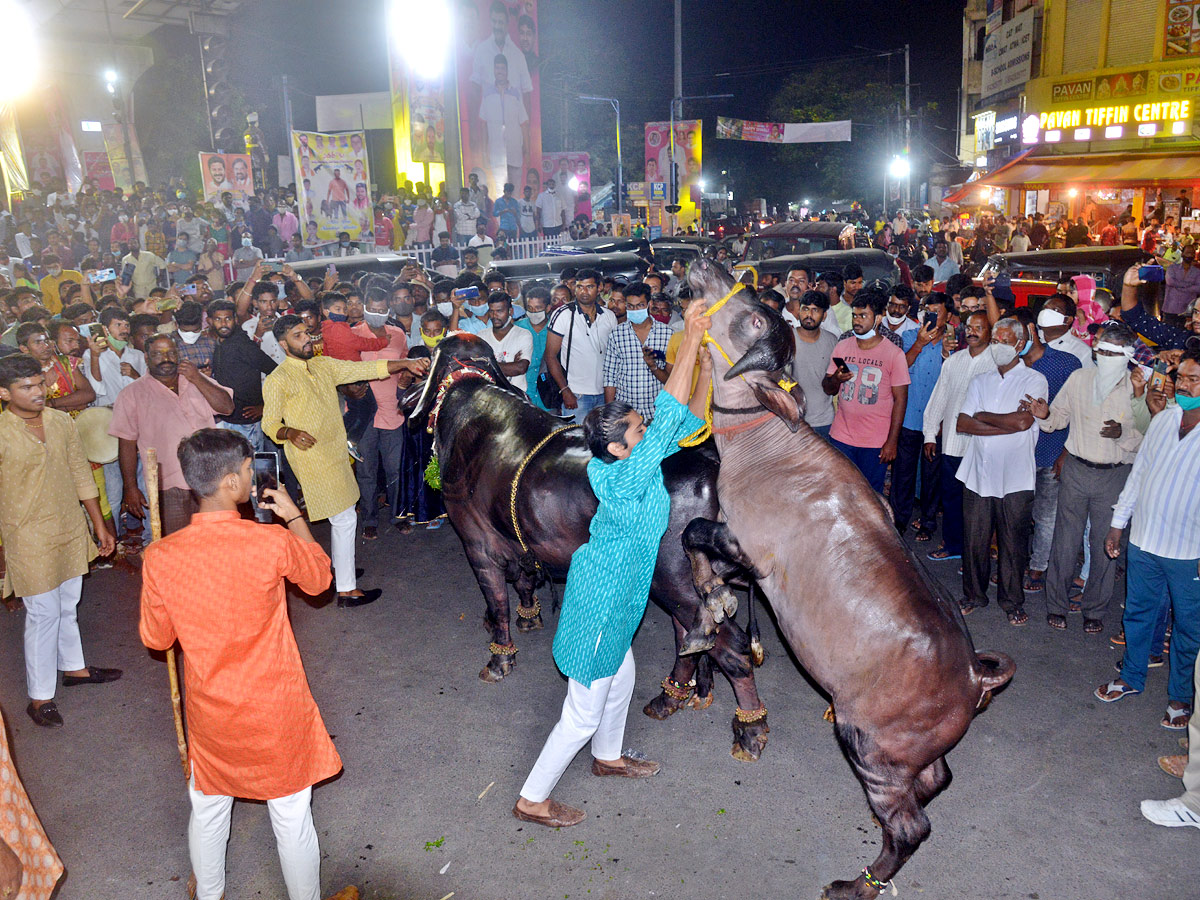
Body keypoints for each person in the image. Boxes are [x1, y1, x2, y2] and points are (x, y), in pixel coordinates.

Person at [513, 297, 711, 829]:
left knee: (620, 679)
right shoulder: (623, 476)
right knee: (580, 713)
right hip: (601, 602)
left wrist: (704, 365)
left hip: (618, 593)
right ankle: (532, 797)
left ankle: (609, 756)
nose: (644, 433)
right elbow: (668, 413)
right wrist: (688, 336)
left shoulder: (627, 464)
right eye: (637, 431)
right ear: (619, 448)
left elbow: (679, 417)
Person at [139, 429, 350, 900]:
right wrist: (293, 516)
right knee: (291, 814)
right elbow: (319, 580)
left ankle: (209, 894)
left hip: (211, 712)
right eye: (246, 471)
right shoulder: (268, 543)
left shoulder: (160, 557)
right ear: (235, 482)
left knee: (209, 806)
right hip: (273, 706)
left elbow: (156, 638)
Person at [261, 316, 429, 607]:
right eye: (298, 335)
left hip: (335, 451)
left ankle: (340, 573)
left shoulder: (323, 365)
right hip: (310, 455)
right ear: (283, 343)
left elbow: (364, 368)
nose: (307, 339)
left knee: (345, 513)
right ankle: (347, 590)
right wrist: (289, 431)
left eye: (308, 333)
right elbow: (269, 423)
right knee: (345, 518)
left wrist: (402, 364)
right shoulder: (279, 379)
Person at [0, 354, 119, 728]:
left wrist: (98, 524)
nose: (38, 393)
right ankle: (40, 698)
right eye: (27, 387)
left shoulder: (57, 420)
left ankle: (75, 669)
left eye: (40, 384)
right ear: (3, 393)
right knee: (43, 613)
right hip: (26, 532)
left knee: (69, 602)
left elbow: (79, 469)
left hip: (68, 523)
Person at [1094, 351, 1200, 733]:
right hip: (1146, 540)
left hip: (1189, 552)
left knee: (1190, 629)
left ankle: (1181, 698)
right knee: (1138, 613)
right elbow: (1140, 473)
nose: (1184, 386)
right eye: (1182, 378)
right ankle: (1132, 677)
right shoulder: (1165, 418)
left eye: (1194, 380)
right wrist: (1118, 524)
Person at [1029, 323, 1147, 633]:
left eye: (1112, 352)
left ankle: (1094, 609)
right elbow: (1059, 417)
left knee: (1105, 544)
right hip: (1077, 469)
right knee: (1065, 541)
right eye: (1101, 350)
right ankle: (1056, 605)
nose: (1105, 356)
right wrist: (1044, 416)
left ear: (1127, 356)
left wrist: (1125, 435)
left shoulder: (1138, 389)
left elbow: (1150, 440)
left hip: (1115, 474)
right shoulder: (1079, 379)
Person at [955, 318, 1049, 626]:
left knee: (1013, 542)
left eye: (1004, 342)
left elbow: (1023, 423)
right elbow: (962, 423)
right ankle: (973, 595)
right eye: (994, 341)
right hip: (978, 473)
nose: (997, 347)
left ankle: (1012, 601)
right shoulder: (980, 380)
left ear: (1019, 345)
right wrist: (1002, 422)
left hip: (1016, 476)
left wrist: (983, 416)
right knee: (974, 540)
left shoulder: (1034, 380)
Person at [109, 334, 235, 535]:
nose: (165, 358)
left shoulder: (195, 379)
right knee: (178, 541)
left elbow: (227, 407)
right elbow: (126, 444)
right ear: (147, 358)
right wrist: (130, 487)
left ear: (178, 355)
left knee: (216, 538)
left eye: (170, 353)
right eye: (158, 354)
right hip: (168, 485)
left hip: (211, 477)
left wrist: (196, 378)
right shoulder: (132, 394)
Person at [1017, 307, 1083, 594]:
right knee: (1016, 515)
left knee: (1046, 516)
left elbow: (1079, 414)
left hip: (1051, 453)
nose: (1013, 344)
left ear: (1032, 331)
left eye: (1017, 337)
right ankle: (1015, 562)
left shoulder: (1068, 363)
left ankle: (1038, 566)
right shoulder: (1011, 366)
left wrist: (1066, 454)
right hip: (1017, 454)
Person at [922, 311, 996, 561]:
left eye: (979, 327)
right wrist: (930, 435)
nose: (972, 331)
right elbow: (939, 398)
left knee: (979, 504)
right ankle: (953, 546)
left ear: (990, 332)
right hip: (952, 444)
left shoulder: (997, 363)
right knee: (952, 498)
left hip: (983, 446)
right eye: (969, 327)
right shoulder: (954, 361)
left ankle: (976, 555)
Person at [821, 289, 910, 494]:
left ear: (878, 318)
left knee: (870, 495)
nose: (857, 321)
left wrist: (892, 441)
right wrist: (836, 379)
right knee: (841, 491)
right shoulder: (842, 347)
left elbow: (900, 400)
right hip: (841, 436)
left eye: (863, 316)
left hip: (874, 441)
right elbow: (828, 388)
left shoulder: (894, 354)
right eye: (854, 315)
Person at [892, 293, 950, 537]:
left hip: (936, 423)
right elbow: (899, 368)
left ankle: (927, 523)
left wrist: (948, 353)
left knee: (931, 477)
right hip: (909, 418)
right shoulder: (908, 336)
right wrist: (919, 343)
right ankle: (898, 522)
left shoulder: (954, 343)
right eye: (929, 310)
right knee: (902, 475)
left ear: (948, 315)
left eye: (938, 311)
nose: (933, 315)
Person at [354, 293, 410, 539]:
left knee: (395, 468)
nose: (376, 313)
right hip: (362, 414)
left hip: (392, 411)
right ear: (365, 308)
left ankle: (399, 515)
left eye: (381, 309)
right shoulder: (353, 334)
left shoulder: (398, 335)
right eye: (372, 308)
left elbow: (405, 365)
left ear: (388, 310)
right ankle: (369, 518)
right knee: (366, 470)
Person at [545, 268, 618, 425]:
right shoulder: (563, 314)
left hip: (604, 393)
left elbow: (614, 356)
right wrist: (565, 390)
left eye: (589, 287)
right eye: (579, 287)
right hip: (576, 394)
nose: (584, 292)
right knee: (578, 444)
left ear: (599, 288)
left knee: (602, 443)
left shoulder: (609, 316)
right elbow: (550, 356)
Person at [209, 299, 277, 451]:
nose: (224, 324)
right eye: (218, 319)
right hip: (228, 418)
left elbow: (276, 371)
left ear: (235, 319)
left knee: (249, 468)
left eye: (228, 318)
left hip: (246, 422)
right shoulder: (221, 342)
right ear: (210, 321)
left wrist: (266, 406)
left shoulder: (242, 344)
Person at [602, 282, 673, 421]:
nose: (635, 310)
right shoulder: (616, 334)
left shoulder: (667, 334)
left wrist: (653, 366)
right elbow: (610, 377)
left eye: (640, 305)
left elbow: (672, 378)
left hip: (657, 411)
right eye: (630, 306)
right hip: (626, 412)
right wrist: (610, 414)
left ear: (649, 304)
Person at [790, 289, 838, 440]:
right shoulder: (787, 338)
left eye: (815, 310)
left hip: (824, 421)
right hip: (793, 421)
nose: (809, 315)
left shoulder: (832, 341)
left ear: (824, 316)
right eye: (805, 309)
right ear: (799, 312)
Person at [479, 291, 533, 394]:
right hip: (489, 397)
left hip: (516, 397)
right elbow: (476, 368)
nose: (494, 316)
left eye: (499, 311)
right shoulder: (481, 336)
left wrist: (486, 364)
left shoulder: (523, 335)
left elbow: (520, 368)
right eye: (491, 311)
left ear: (510, 311)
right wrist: (510, 366)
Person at [517, 284, 552, 409]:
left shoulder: (555, 328)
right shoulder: (518, 328)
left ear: (548, 308)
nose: (533, 312)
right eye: (530, 308)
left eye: (538, 308)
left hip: (549, 395)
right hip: (524, 395)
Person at [173, 299, 218, 373]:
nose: (191, 335)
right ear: (176, 325)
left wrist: (210, 373)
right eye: (186, 331)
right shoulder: (170, 344)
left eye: (195, 331)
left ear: (201, 325)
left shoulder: (211, 342)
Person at [1163, 244, 1200, 330]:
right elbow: (1170, 282)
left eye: (1192, 253)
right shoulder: (1172, 268)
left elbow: (1198, 288)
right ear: (1182, 254)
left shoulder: (1197, 272)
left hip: (1187, 312)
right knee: (1167, 336)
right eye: (1187, 253)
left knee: (1184, 338)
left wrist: (1178, 286)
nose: (1190, 255)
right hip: (1170, 309)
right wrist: (1189, 285)